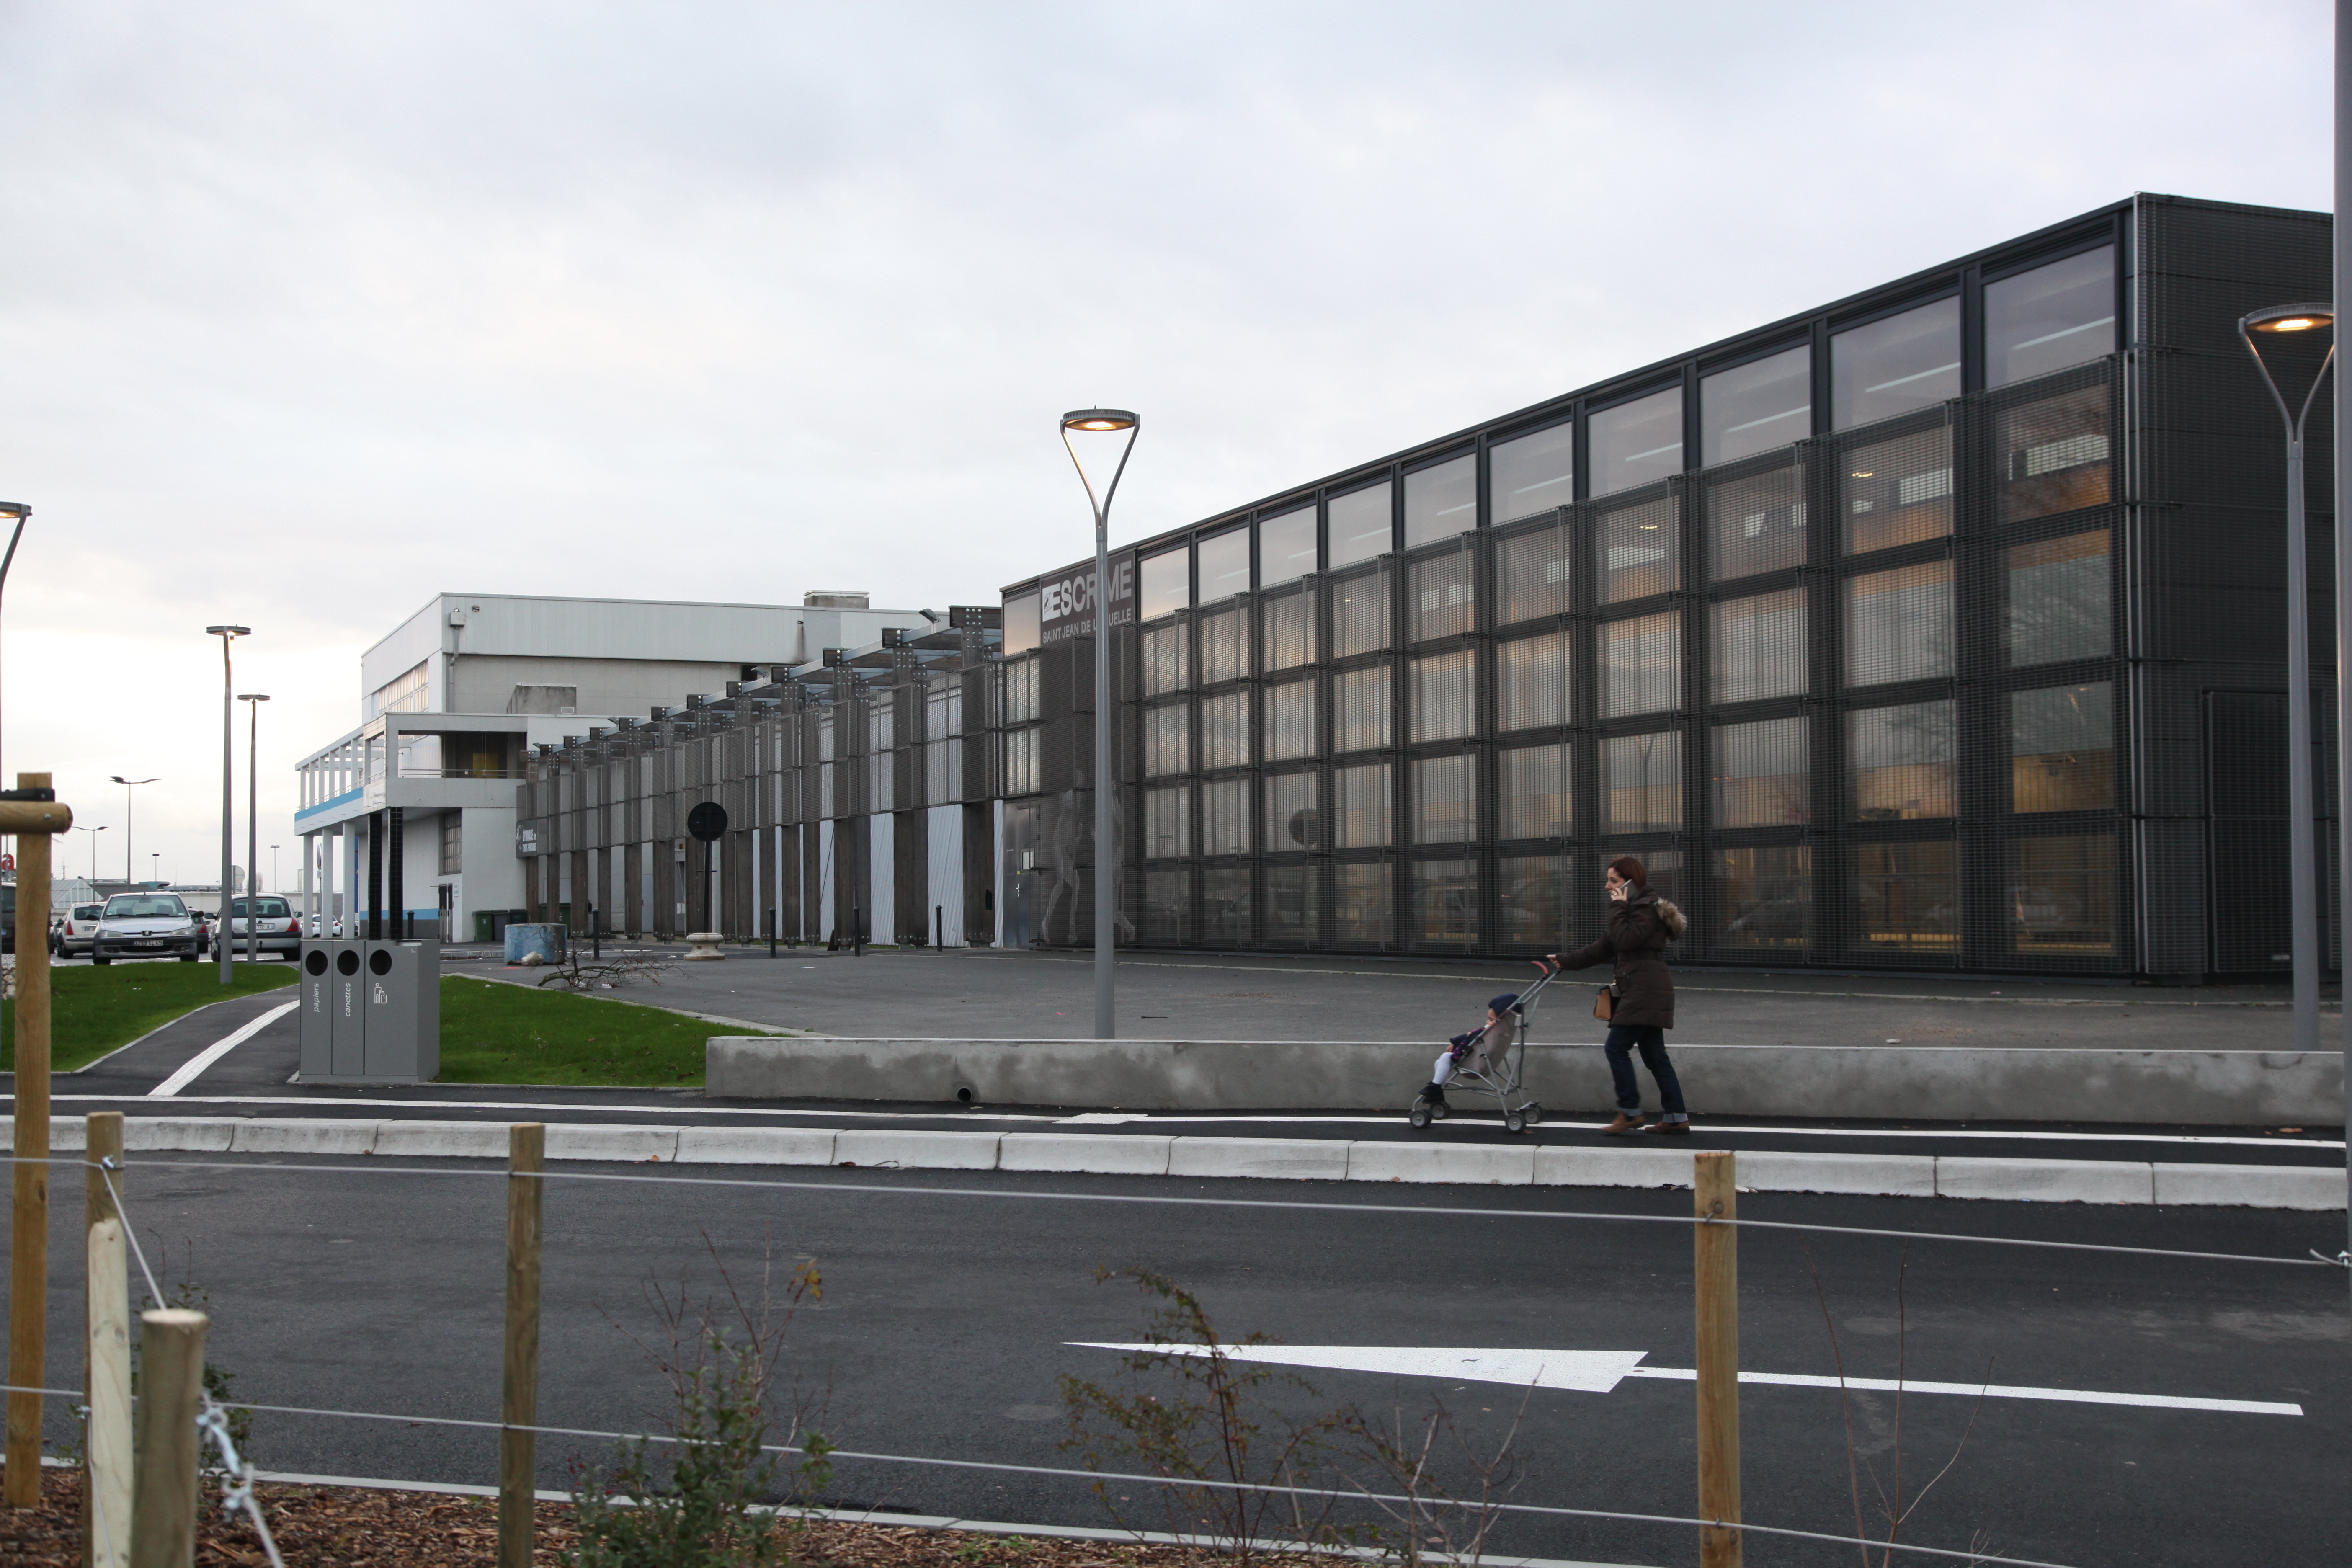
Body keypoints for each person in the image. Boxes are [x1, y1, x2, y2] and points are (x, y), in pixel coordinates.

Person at [1549, 856, 1691, 1136]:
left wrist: (1618, 905)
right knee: (1655, 1055)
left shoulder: (1645, 910)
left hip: (1644, 989)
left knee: (1616, 1048)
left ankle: (1630, 1111)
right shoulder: (1633, 910)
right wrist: (1566, 960)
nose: (1607, 886)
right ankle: (1676, 1117)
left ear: (1630, 882)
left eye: (1613, 881)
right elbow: (1606, 946)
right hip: (1643, 987)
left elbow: (1625, 940)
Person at [1416, 993, 1520, 1112]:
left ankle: (1435, 1088)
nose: (1487, 1021)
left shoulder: (1489, 1034)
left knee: (1445, 1057)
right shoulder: (1500, 1034)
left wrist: (1464, 1041)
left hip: (1474, 1064)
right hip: (1483, 1061)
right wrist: (1456, 1043)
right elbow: (1469, 1036)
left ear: (1501, 1021)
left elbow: (1470, 1038)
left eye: (1491, 1020)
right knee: (1440, 1062)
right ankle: (1437, 1091)